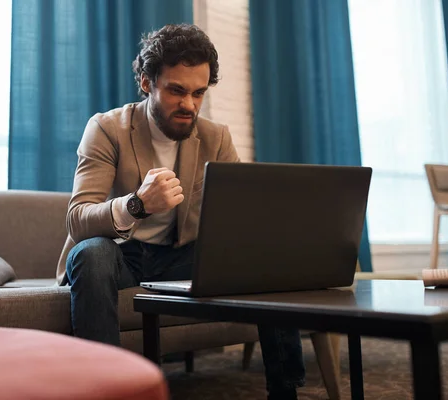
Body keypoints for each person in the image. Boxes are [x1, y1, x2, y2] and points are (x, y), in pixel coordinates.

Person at [55, 23, 305, 400]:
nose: (189, 104)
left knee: (265, 255)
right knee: (91, 254)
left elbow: (238, 216)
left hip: (180, 255)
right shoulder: (107, 129)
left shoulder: (215, 136)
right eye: (176, 90)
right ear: (146, 82)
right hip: (121, 255)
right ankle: (105, 390)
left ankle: (285, 391)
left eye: (199, 93)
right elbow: (78, 217)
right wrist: (136, 205)